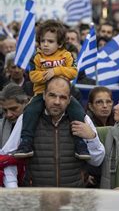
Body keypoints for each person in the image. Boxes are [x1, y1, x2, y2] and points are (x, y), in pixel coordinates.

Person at [2, 77, 105, 187]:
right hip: (36, 198)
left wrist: (92, 137)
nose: (57, 102)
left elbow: (97, 161)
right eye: (52, 95)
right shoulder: (26, 119)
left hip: (73, 198)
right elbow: (7, 157)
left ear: (69, 100)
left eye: (62, 97)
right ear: (44, 95)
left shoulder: (83, 120)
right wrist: (13, 189)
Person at [13, 20, 88, 160]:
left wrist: (56, 71)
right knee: (30, 111)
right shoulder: (37, 56)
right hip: (42, 93)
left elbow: (73, 72)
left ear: (59, 43)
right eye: (43, 40)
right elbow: (33, 76)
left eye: (50, 41)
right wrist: (48, 76)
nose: (45, 44)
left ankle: (80, 143)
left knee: (77, 111)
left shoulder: (66, 55)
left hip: (63, 94)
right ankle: (26, 142)